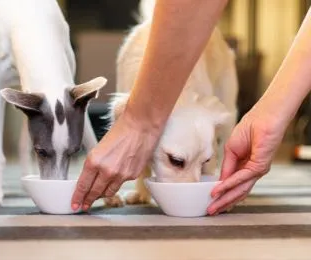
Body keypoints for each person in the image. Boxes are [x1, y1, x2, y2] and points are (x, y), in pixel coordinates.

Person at [71, 0, 311, 215]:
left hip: (217, 60)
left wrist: (270, 116)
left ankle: (224, 184)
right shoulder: (129, 55)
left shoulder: (208, 101)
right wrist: (136, 122)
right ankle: (144, 188)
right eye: (176, 161)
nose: (192, 184)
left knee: (227, 129)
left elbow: (215, 123)